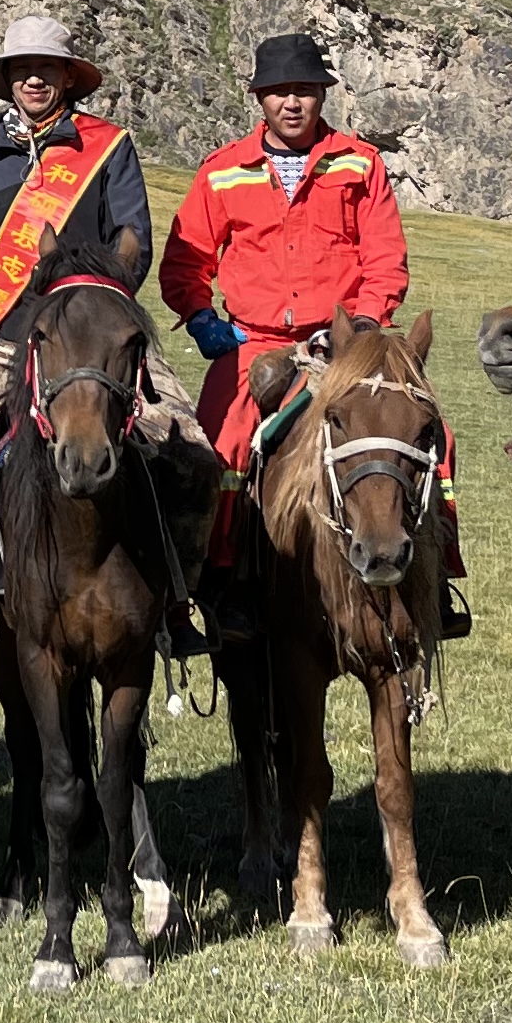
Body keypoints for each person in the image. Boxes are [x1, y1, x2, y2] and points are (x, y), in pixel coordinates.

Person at [0, 16, 206, 651]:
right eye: (21, 70)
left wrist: (94, 302)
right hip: (4, 336)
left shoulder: (110, 148)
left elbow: (134, 246)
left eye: (46, 68)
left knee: (192, 457)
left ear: (69, 77)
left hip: (97, 333)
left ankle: (179, 597)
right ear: (7, 82)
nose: (34, 79)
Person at [157, 32, 413, 638]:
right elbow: (185, 260)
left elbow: (384, 255)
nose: (292, 103)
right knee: (216, 451)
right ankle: (213, 584)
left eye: (303, 90)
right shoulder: (222, 172)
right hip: (251, 344)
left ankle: (434, 574)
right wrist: (200, 318)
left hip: (343, 341)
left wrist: (368, 324)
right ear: (259, 99)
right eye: (278, 92)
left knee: (425, 435)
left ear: (322, 94)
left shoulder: (360, 163)